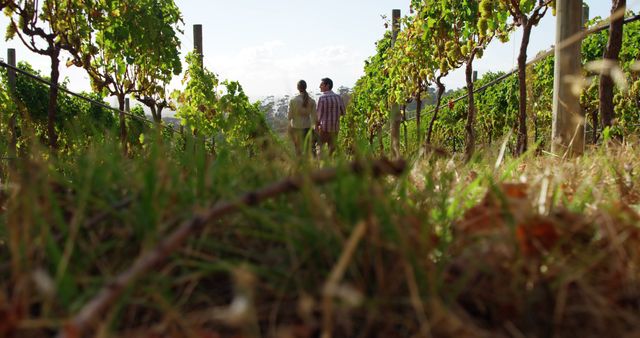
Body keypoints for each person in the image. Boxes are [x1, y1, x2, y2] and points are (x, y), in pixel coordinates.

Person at [315, 77, 345, 155]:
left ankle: (320, 165)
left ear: (327, 86)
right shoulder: (338, 97)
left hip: (324, 128)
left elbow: (318, 116)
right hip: (335, 128)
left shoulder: (321, 98)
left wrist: (316, 128)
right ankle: (331, 164)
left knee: (320, 147)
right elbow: (343, 112)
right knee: (331, 149)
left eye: (321, 85)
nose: (319, 86)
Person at [287, 80, 317, 155]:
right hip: (307, 127)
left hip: (296, 128)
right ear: (305, 87)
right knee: (308, 149)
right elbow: (314, 118)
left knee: (298, 149)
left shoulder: (293, 100)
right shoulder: (312, 101)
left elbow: (289, 117)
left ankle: (300, 165)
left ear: (298, 88)